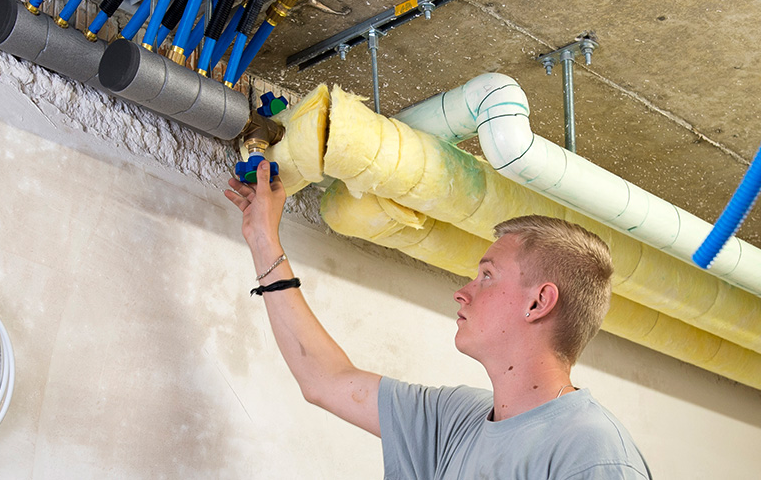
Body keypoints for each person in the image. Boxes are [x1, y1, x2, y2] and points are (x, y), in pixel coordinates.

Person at [225, 159, 652, 479]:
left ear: (538, 302)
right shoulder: (454, 420)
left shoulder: (591, 454)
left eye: (487, 276)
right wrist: (264, 241)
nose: (462, 291)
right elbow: (325, 380)